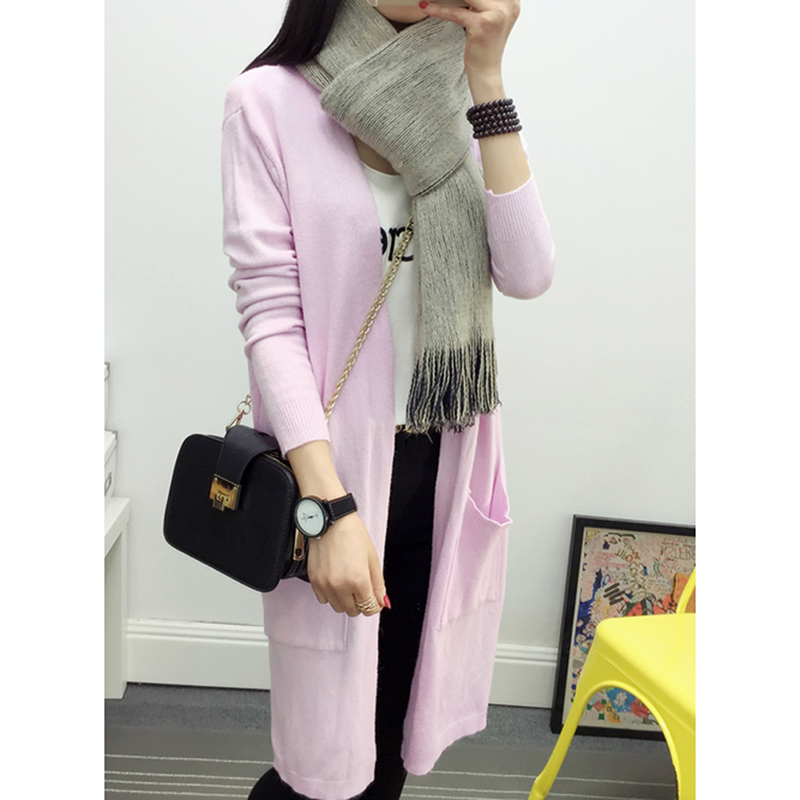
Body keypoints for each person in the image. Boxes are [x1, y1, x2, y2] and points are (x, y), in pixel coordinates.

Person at [221, 1, 555, 798]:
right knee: (323, 758)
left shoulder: (454, 94)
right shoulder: (266, 101)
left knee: (394, 736)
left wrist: (487, 78)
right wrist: (327, 507)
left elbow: (528, 271)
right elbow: (272, 319)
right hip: (332, 468)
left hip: (445, 463)